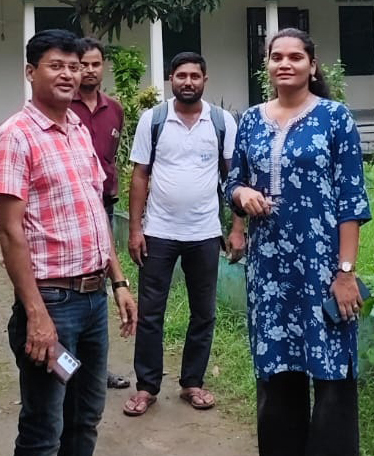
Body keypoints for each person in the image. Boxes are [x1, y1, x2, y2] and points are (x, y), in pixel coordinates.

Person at [0, 29, 137, 456]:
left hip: (93, 301)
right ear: (30, 72)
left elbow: (95, 211)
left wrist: (119, 281)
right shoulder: (15, 136)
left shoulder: (77, 129)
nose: (69, 74)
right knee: (44, 427)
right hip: (53, 302)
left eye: (74, 66)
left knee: (85, 416)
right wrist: (36, 314)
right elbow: (9, 232)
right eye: (56, 66)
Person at [225, 28, 371, 456]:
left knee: (331, 371)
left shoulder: (335, 118)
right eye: (277, 57)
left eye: (295, 57)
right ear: (267, 65)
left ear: (312, 65)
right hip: (269, 272)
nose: (285, 64)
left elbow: (351, 200)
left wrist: (345, 273)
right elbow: (232, 181)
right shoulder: (251, 120)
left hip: (322, 268)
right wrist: (242, 194)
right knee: (277, 372)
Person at [123, 51, 245, 417]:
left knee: (203, 312)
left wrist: (237, 227)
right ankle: (146, 387)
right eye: (181, 76)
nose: (187, 81)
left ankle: (193, 382)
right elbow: (140, 175)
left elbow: (235, 178)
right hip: (158, 233)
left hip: (205, 233)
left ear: (205, 80)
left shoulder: (221, 122)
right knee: (150, 314)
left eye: (194, 75)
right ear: (170, 80)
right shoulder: (154, 120)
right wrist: (135, 229)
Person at [71, 37, 130, 390]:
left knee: (100, 282)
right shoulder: (65, 107)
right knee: (71, 286)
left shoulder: (115, 109)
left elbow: (110, 157)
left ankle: (95, 367)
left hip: (103, 205)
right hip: (71, 209)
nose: (89, 71)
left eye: (95, 64)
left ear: (103, 66)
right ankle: (67, 366)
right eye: (82, 65)